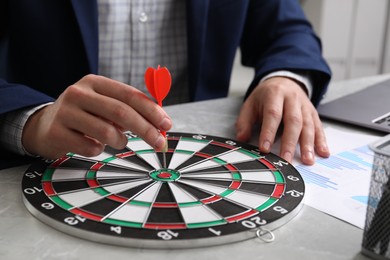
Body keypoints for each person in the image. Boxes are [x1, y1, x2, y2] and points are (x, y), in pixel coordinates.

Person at [0, 0, 331, 166]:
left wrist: (285, 78)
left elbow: (289, 30)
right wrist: (32, 119)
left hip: (199, 169)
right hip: (54, 170)